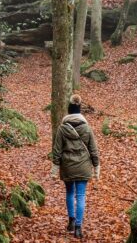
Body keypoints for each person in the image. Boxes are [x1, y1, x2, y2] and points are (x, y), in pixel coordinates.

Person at [51, 95, 100, 239]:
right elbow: (93, 150)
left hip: (67, 166)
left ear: (69, 111)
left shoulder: (62, 128)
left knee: (69, 193)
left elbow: (57, 150)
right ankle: (78, 227)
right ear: (80, 111)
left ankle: (71, 221)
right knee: (81, 196)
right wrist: (96, 167)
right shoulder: (87, 128)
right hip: (83, 166)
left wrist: (54, 168)